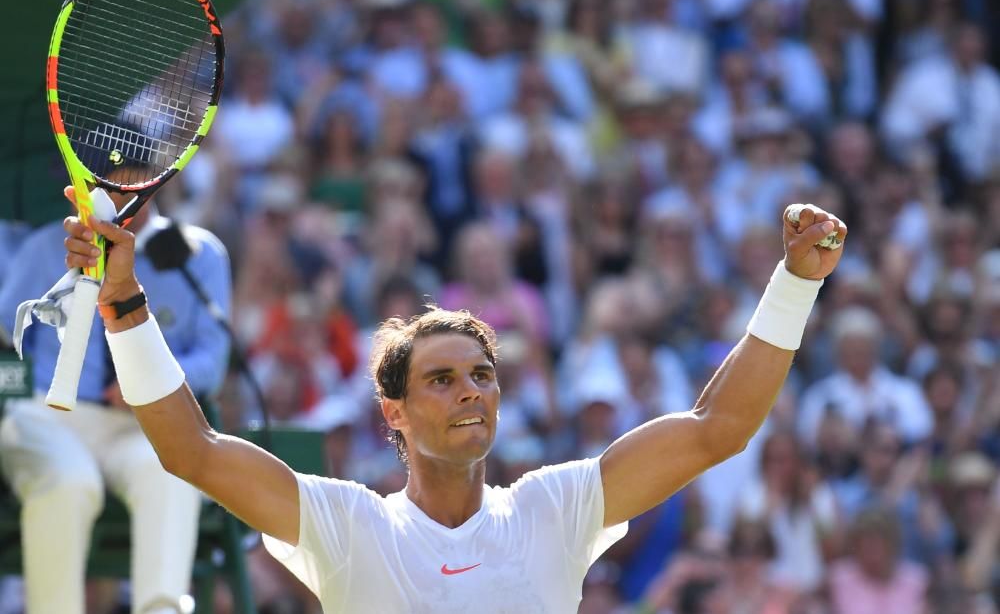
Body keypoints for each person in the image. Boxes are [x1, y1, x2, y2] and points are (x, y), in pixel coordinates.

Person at [60, 190, 845, 612]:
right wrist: (125, 301)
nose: (470, 389)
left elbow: (719, 429)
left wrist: (795, 284)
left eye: (481, 374)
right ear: (392, 412)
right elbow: (189, 450)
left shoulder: (555, 507)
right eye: (440, 378)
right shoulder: (347, 523)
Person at [0, 170, 232, 612]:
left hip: (145, 424)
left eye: (130, 182)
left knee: (174, 471)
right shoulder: (48, 245)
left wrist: (153, 379)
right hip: (52, 415)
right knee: (67, 482)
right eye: (104, 184)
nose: (117, 194)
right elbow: (6, 334)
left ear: (152, 183)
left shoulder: (199, 254)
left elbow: (213, 360)